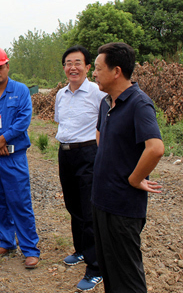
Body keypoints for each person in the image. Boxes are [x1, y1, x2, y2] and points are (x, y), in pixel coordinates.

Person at [92, 42, 164, 292]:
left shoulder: (139, 103)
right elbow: (101, 137)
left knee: (128, 275)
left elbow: (155, 148)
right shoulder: (105, 103)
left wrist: (134, 178)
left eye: (98, 68)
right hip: (101, 201)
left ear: (116, 71)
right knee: (109, 268)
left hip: (123, 206)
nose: (94, 73)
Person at [0, 46, 40, 269]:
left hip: (14, 157)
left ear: (7, 66)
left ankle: (30, 249)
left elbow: (24, 118)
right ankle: (6, 241)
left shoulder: (21, 90)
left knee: (19, 202)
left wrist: (5, 138)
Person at [54, 45, 105, 291]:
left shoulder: (97, 93)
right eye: (68, 63)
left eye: (77, 63)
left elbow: (105, 126)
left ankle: (96, 268)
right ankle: (81, 251)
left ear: (87, 67)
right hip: (65, 153)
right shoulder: (61, 94)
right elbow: (60, 122)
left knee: (89, 211)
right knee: (72, 205)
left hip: (88, 154)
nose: (72, 67)